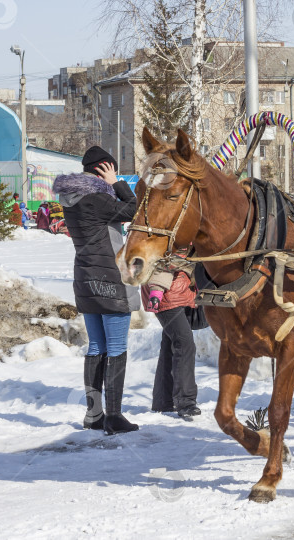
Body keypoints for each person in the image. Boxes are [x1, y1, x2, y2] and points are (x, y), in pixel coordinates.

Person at [52, 146, 140, 436]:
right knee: (116, 348)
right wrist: (117, 183)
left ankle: (94, 415)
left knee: (96, 347)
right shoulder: (98, 198)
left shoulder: (72, 198)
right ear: (104, 169)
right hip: (110, 278)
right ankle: (114, 416)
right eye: (111, 169)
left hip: (85, 279)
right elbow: (134, 209)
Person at [141, 249, 201, 420]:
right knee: (184, 342)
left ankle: (163, 400)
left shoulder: (190, 240)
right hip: (166, 298)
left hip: (180, 294)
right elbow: (160, 268)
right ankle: (186, 402)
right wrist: (156, 292)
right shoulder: (169, 238)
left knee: (170, 344)